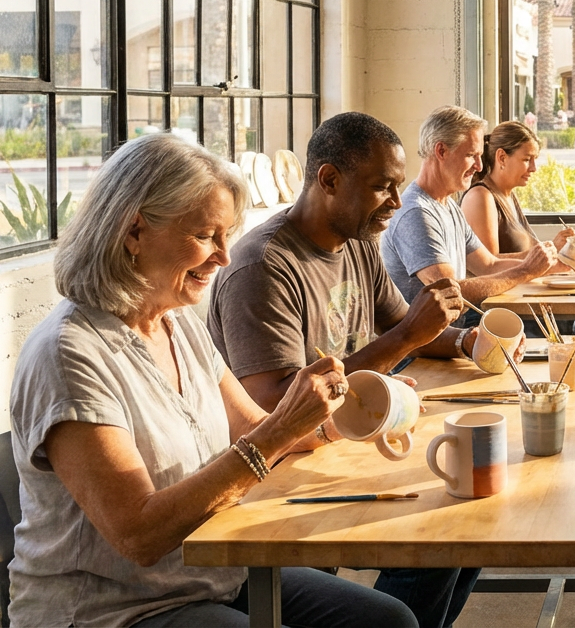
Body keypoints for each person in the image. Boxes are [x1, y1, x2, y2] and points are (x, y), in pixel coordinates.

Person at [9, 133, 416, 627]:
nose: (223, 256)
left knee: (388, 621)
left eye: (227, 236)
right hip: (115, 609)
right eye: (205, 236)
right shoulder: (70, 354)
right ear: (133, 231)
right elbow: (140, 535)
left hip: (214, 573)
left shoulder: (176, 323)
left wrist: (351, 414)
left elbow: (254, 427)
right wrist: (278, 432)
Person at [207, 112, 491, 628]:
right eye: (383, 186)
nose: (397, 202)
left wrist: (472, 342)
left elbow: (407, 326)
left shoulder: (357, 241)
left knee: (468, 517)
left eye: (398, 186)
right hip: (277, 481)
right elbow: (276, 409)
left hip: (344, 447)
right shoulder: (262, 267)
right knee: (441, 537)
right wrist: (406, 339)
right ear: (330, 180)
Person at [381, 106, 558, 330]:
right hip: (421, 352)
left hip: (456, 333)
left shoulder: (449, 207)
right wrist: (525, 271)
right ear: (441, 151)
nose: (480, 166)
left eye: (479, 156)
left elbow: (489, 264)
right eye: (470, 155)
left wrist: (548, 266)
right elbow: (450, 292)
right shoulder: (416, 213)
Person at [461, 119, 573, 257]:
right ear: (502, 157)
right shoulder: (480, 197)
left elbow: (529, 253)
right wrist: (552, 249)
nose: (534, 168)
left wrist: (560, 247)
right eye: (527, 160)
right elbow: (488, 265)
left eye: (534, 160)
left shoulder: (509, 195)